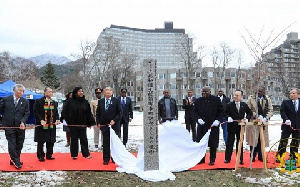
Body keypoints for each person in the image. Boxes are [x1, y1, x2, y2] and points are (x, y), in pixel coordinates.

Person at [0, 84, 30, 169]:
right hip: (9, 126)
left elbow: (27, 113)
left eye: (23, 91)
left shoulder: (25, 101)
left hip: (20, 126)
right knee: (12, 143)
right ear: (14, 91)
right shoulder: (6, 99)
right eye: (19, 90)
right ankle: (16, 161)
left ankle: (14, 158)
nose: (21, 92)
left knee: (19, 143)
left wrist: (23, 122)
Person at [192, 86, 224, 165]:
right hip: (202, 125)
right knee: (201, 143)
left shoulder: (216, 100)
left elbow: (221, 111)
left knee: (213, 143)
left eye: (206, 92)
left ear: (210, 92)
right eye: (203, 92)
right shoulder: (198, 101)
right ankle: (201, 159)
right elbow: (194, 112)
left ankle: (212, 159)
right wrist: (198, 119)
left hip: (213, 125)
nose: (204, 93)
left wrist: (218, 120)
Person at [64, 87, 95, 159]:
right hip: (73, 124)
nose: (81, 93)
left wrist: (90, 122)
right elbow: (65, 112)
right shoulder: (70, 102)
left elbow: (88, 113)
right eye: (79, 91)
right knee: (74, 139)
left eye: (82, 91)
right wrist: (67, 121)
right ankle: (74, 154)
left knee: (83, 139)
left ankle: (86, 154)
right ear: (75, 93)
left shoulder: (85, 102)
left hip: (82, 124)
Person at [224, 90, 252, 165]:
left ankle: (240, 158)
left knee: (240, 142)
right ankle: (227, 158)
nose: (235, 96)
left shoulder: (244, 105)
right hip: (231, 126)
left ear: (241, 97)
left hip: (240, 127)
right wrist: (228, 117)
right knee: (230, 142)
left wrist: (247, 119)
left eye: (237, 95)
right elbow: (225, 113)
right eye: (234, 95)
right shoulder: (229, 104)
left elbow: (250, 113)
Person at [246, 86, 273, 162]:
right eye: (258, 91)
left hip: (263, 123)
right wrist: (256, 115)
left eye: (261, 91)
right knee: (253, 140)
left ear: (264, 92)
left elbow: (271, 110)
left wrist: (266, 118)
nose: (259, 92)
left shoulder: (267, 99)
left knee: (262, 139)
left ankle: (261, 156)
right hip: (253, 123)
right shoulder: (251, 98)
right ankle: (253, 156)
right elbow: (248, 109)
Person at [96, 86, 122, 165]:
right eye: (106, 90)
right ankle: (106, 159)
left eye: (110, 90)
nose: (108, 92)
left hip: (114, 125)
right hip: (104, 125)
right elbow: (98, 113)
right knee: (106, 143)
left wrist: (114, 120)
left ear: (112, 92)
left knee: (114, 143)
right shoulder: (101, 101)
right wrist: (98, 122)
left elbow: (120, 112)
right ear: (104, 93)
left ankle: (114, 158)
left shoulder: (116, 101)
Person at [33, 87, 60, 162]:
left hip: (51, 124)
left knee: (51, 140)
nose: (51, 93)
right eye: (49, 92)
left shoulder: (54, 102)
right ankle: (40, 155)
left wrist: (57, 119)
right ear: (45, 93)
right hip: (41, 124)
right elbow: (35, 112)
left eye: (52, 92)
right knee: (41, 141)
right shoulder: (38, 101)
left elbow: (56, 112)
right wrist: (41, 120)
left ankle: (49, 154)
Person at [276, 88, 300, 161]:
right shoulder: (285, 102)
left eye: (293, 93)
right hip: (287, 126)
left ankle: (293, 156)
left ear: (298, 95)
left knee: (295, 142)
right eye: (290, 93)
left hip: (298, 126)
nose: (291, 95)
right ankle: (280, 156)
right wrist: (286, 119)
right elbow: (282, 111)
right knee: (283, 141)